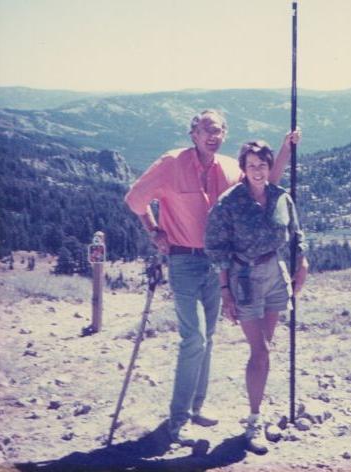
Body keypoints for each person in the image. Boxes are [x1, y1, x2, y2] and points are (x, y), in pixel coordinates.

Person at [124, 110, 300, 447]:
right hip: (185, 259)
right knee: (195, 339)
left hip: (220, 264)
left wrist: (285, 149)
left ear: (224, 134)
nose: (212, 135)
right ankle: (179, 422)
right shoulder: (171, 163)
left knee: (209, 338)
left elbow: (264, 180)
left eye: (218, 130)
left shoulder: (229, 167)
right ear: (193, 133)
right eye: (206, 129)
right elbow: (135, 200)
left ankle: (196, 408)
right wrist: (153, 229)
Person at [204, 140, 308, 455]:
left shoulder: (280, 198)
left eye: (263, 164)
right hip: (244, 279)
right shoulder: (228, 203)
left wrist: (301, 260)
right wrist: (225, 291)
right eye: (252, 165)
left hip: (275, 276)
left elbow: (296, 232)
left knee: (266, 349)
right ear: (244, 168)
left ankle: (257, 409)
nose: (258, 171)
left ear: (268, 166)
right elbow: (217, 248)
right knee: (260, 351)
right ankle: (254, 421)